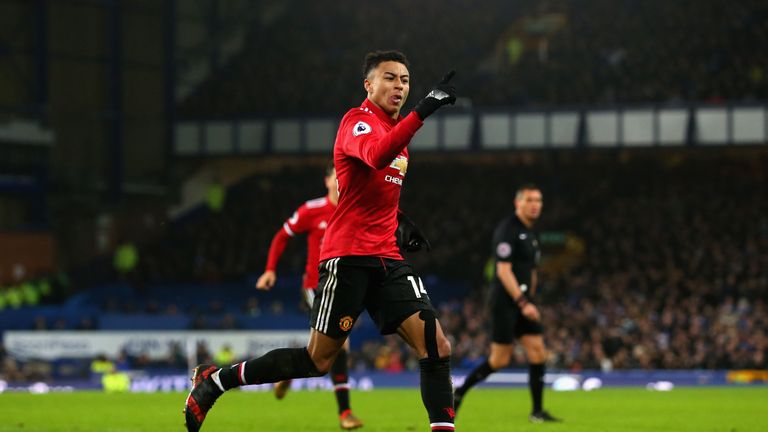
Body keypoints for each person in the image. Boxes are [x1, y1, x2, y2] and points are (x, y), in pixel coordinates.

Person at [184, 49, 458, 432]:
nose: (400, 86)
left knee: (436, 345)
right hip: (347, 259)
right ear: (369, 84)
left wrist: (399, 220)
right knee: (318, 361)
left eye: (406, 81)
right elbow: (378, 157)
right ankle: (216, 380)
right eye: (390, 77)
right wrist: (424, 109)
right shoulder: (357, 122)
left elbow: (371, 190)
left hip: (387, 258)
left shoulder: (398, 134)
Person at [254, 163, 364, 430]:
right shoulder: (311, 210)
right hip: (315, 286)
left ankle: (289, 370)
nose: (341, 181)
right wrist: (270, 270)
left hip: (344, 288)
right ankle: (345, 413)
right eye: (337, 177)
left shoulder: (356, 208)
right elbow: (282, 236)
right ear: (327, 180)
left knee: (321, 350)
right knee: (340, 345)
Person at [452, 184, 561, 423]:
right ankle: (459, 392)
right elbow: (503, 271)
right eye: (530, 200)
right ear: (518, 203)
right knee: (499, 360)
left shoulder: (532, 233)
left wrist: (531, 300)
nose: (535, 205)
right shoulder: (507, 230)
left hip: (523, 302)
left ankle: (537, 412)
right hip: (504, 302)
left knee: (538, 351)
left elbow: (531, 271)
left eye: (539, 200)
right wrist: (523, 303)